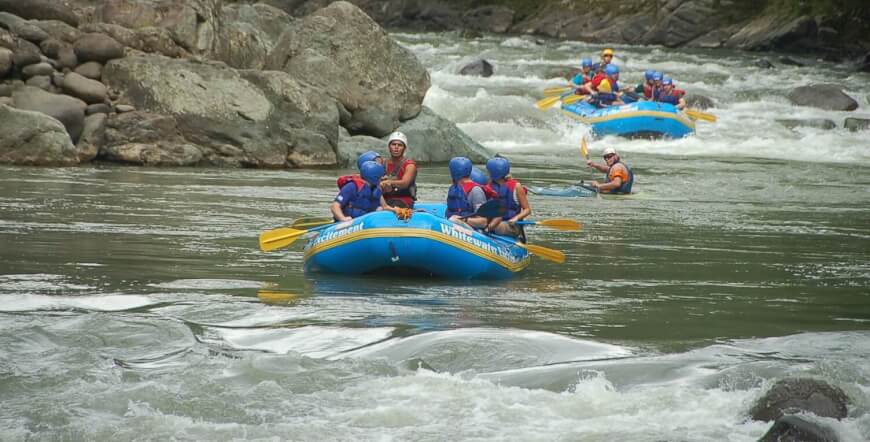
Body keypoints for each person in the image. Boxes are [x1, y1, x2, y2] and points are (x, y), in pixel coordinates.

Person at [331, 161, 396, 222]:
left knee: (380, 209)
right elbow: (335, 206)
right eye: (381, 176)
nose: (383, 178)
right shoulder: (351, 187)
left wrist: (396, 210)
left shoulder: (377, 189)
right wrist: (343, 218)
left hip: (365, 221)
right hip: (349, 221)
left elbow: (385, 207)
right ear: (375, 177)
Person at [485, 157, 531, 238]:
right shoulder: (489, 186)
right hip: (494, 221)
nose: (488, 173)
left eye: (489, 171)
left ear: (495, 173)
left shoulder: (516, 186)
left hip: (511, 225)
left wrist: (516, 218)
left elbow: (527, 210)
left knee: (496, 226)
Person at [445, 157, 495, 229]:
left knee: (454, 220)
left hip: (472, 231)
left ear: (454, 172)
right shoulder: (455, 188)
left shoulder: (476, 191)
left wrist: (463, 219)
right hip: (453, 225)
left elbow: (483, 222)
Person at [379, 131, 417, 209]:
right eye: (393, 144)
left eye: (400, 145)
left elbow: (404, 183)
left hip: (403, 200)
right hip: (383, 199)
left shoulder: (410, 165)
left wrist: (389, 182)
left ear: (404, 148)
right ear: (389, 147)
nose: (396, 147)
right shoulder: (382, 163)